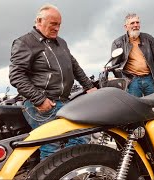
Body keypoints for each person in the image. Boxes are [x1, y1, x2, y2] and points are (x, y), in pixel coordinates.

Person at [9, 4, 96, 159]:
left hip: (63, 101)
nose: (57, 28)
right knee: (51, 147)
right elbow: (16, 76)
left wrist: (89, 87)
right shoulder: (25, 42)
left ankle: (66, 171)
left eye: (59, 25)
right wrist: (40, 99)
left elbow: (74, 66)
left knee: (81, 137)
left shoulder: (60, 42)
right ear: (39, 21)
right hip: (41, 105)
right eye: (53, 24)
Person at [111, 13, 154, 97]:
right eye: (132, 23)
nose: (136, 25)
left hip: (150, 79)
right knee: (134, 108)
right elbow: (115, 67)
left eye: (137, 22)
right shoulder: (118, 43)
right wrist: (126, 82)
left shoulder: (149, 39)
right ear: (126, 27)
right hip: (132, 81)